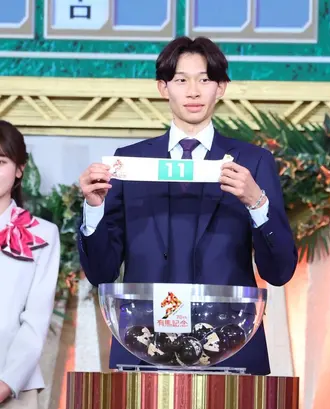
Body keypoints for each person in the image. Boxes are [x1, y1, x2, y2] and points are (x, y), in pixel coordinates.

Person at [77, 37, 297, 374]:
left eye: (204, 79)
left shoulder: (252, 162)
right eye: (181, 80)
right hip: (143, 346)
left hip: (230, 345)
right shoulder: (129, 162)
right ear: (163, 88)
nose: (193, 91)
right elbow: (101, 273)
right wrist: (94, 210)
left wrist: (257, 203)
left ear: (220, 88)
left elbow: (279, 272)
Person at [0, 120, 61, 409]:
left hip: (12, 392)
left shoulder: (42, 234)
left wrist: (6, 383)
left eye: (0, 162)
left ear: (19, 168)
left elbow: (35, 320)